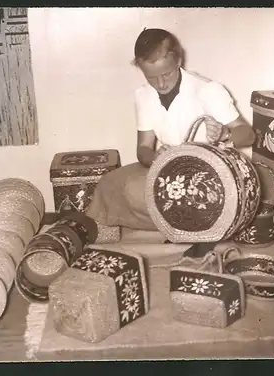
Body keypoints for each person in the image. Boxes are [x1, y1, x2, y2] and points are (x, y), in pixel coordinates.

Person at [86, 28, 255, 250]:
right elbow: (143, 149)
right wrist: (155, 158)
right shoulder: (143, 96)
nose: (161, 84)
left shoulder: (207, 89)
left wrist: (225, 134)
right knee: (111, 184)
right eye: (151, 77)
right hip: (170, 171)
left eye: (167, 74)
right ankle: (195, 225)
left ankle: (198, 225)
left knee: (182, 197)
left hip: (211, 174)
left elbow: (249, 135)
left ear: (179, 59)